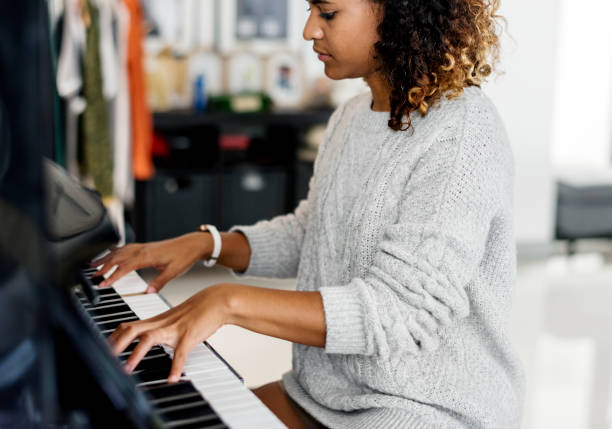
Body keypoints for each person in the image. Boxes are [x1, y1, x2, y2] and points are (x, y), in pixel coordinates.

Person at [94, 0, 525, 427]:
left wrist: (227, 301)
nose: (309, 31)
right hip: (321, 395)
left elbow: (401, 312)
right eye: (310, 11)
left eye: (328, 13)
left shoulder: (463, 133)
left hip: (423, 409)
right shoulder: (351, 115)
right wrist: (208, 244)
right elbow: (313, 235)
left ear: (399, 12)